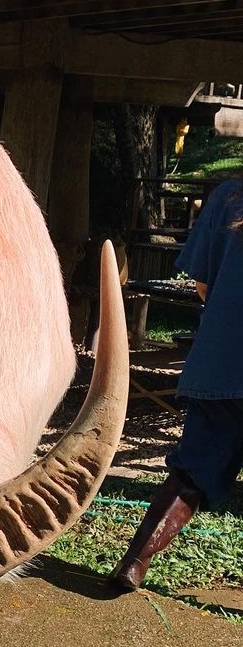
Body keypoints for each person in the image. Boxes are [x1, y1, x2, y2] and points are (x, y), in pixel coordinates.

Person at [111, 174, 243, 590]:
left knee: (191, 471)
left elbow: (203, 285)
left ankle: (134, 563)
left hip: (223, 363)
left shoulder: (229, 196)